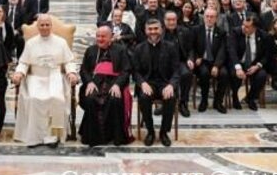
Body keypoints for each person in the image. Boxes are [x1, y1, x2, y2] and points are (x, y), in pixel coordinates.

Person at [12, 14, 79, 148]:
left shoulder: (61, 42)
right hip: (35, 77)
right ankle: (35, 137)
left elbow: (69, 61)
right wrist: (19, 73)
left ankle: (53, 136)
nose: (44, 27)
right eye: (42, 25)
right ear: (38, 26)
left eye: (47, 24)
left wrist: (71, 73)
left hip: (55, 77)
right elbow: (24, 62)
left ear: (51, 26)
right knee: (34, 99)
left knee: (56, 98)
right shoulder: (31, 43)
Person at [78, 26, 132, 146]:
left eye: (103, 36)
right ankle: (93, 137)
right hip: (95, 82)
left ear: (111, 37)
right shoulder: (90, 50)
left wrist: (118, 84)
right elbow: (84, 70)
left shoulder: (121, 50)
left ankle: (113, 135)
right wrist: (89, 82)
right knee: (90, 99)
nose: (100, 39)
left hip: (114, 82)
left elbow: (126, 70)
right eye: (98, 36)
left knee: (114, 99)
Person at [132, 19, 179, 147]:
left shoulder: (171, 47)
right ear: (146, 31)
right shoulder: (139, 48)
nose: (153, 31)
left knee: (170, 97)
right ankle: (151, 131)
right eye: (150, 29)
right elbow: (135, 72)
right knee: (143, 97)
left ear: (161, 30)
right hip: (148, 83)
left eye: (156, 28)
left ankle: (164, 132)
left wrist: (171, 85)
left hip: (165, 83)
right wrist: (142, 83)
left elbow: (176, 70)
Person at [228, 15, 270, 110]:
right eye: (243, 25)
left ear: (254, 27)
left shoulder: (263, 35)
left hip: (254, 63)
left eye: (247, 27)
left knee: (262, 75)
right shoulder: (236, 32)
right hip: (239, 62)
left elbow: (267, 55)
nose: (244, 28)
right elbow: (232, 51)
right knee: (234, 74)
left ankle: (251, 98)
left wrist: (257, 66)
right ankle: (235, 97)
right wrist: (238, 68)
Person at [193, 8, 228, 113]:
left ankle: (218, 102)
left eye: (212, 17)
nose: (209, 19)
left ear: (216, 19)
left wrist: (216, 65)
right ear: (203, 18)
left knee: (224, 74)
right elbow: (191, 47)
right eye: (207, 16)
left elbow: (222, 50)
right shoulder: (196, 30)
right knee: (204, 73)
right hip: (202, 61)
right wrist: (196, 57)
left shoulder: (221, 32)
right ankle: (204, 101)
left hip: (216, 61)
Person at [162, 11, 195, 117]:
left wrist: (190, 59)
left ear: (177, 20)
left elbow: (191, 49)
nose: (171, 22)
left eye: (173, 20)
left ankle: (183, 103)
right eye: (168, 20)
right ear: (164, 20)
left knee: (187, 74)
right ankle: (165, 103)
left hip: (180, 61)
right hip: (164, 63)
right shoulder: (159, 31)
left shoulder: (184, 31)